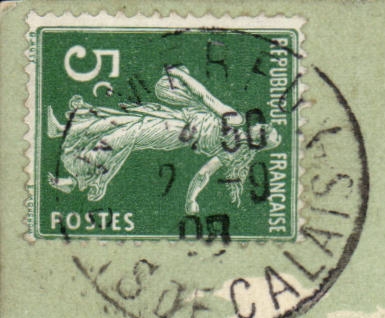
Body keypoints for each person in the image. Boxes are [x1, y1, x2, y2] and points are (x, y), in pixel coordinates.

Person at [46, 65, 283, 215]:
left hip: (173, 129)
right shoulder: (232, 149)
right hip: (173, 121)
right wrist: (191, 200)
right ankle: (64, 131)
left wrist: (179, 74)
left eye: (264, 131)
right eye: (266, 126)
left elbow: (205, 97)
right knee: (120, 123)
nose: (261, 125)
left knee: (119, 136)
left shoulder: (235, 121)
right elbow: (204, 173)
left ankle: (76, 173)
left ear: (257, 139)